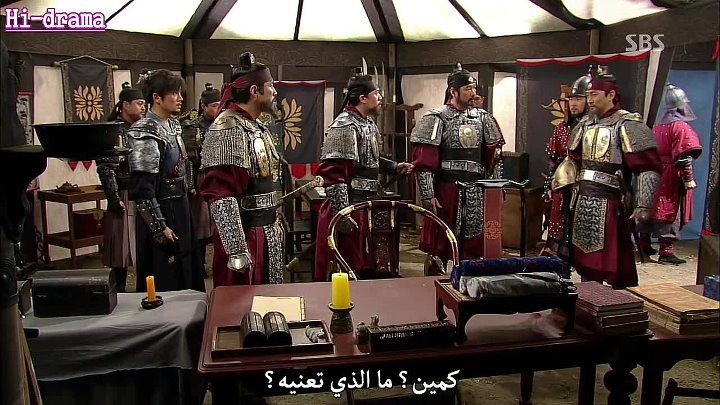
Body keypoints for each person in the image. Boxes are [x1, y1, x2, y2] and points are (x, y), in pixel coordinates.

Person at [566, 66, 661, 288]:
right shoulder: (585, 124)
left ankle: (614, 298)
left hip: (610, 201)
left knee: (612, 257)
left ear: (610, 95)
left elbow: (647, 167)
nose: (590, 100)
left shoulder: (627, 124)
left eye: (595, 95)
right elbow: (573, 160)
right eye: (588, 95)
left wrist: (644, 205)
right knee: (585, 255)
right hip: (583, 198)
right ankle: (589, 294)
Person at [314, 69, 413, 281]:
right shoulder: (345, 126)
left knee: (369, 265)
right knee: (348, 267)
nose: (380, 98)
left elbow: (371, 160)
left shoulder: (368, 124)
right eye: (376, 94)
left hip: (367, 203)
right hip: (350, 205)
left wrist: (395, 166)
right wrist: (343, 214)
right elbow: (334, 175)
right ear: (362, 98)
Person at [200, 52, 285, 287]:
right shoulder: (228, 128)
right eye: (270, 86)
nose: (275, 92)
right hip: (247, 236)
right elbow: (221, 196)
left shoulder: (255, 126)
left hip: (266, 230)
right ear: (254, 91)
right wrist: (237, 250)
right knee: (243, 303)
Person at [410, 63, 504, 275]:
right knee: (441, 242)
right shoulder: (436, 117)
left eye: (474, 88)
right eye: (467, 88)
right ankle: (433, 282)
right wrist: (428, 195)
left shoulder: (483, 118)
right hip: (447, 190)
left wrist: (495, 190)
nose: (473, 93)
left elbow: (495, 157)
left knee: (473, 245)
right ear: (453, 91)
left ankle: (470, 281)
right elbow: (424, 161)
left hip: (476, 190)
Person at [126, 69, 205, 292]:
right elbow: (142, 189)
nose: (180, 98)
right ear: (157, 98)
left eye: (180, 93)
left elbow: (184, 163)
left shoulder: (173, 125)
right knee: (165, 276)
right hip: (162, 209)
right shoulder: (145, 130)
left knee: (186, 270)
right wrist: (160, 226)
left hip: (180, 207)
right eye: (174, 93)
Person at [638, 84, 703, 265]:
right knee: (669, 210)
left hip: (654, 172)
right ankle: (666, 252)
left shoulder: (657, 126)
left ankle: (644, 244)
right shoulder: (680, 127)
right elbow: (684, 157)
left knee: (652, 207)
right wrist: (688, 178)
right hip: (670, 175)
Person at [96, 82, 145, 292]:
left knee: (142, 247)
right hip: (124, 194)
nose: (143, 107)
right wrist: (114, 198)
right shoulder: (114, 130)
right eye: (139, 103)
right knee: (121, 252)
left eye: (144, 104)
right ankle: (119, 291)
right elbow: (106, 168)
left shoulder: (141, 128)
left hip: (141, 193)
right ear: (125, 105)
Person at [544, 73, 590, 258]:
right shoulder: (561, 129)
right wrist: (549, 186)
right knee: (560, 227)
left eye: (578, 99)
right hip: (563, 187)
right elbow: (553, 160)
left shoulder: (594, 129)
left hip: (587, 187)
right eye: (571, 99)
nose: (573, 104)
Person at [181, 83, 220, 272]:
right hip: (201, 178)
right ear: (204, 106)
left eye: (219, 105)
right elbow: (188, 159)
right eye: (213, 106)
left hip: (219, 179)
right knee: (201, 225)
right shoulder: (192, 127)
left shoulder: (223, 124)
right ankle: (199, 263)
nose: (217, 109)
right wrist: (191, 184)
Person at [469, 89, 506, 179]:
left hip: (481, 165)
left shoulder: (486, 117)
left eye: (476, 99)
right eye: (471, 100)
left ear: (482, 99)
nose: (474, 102)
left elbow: (495, 148)